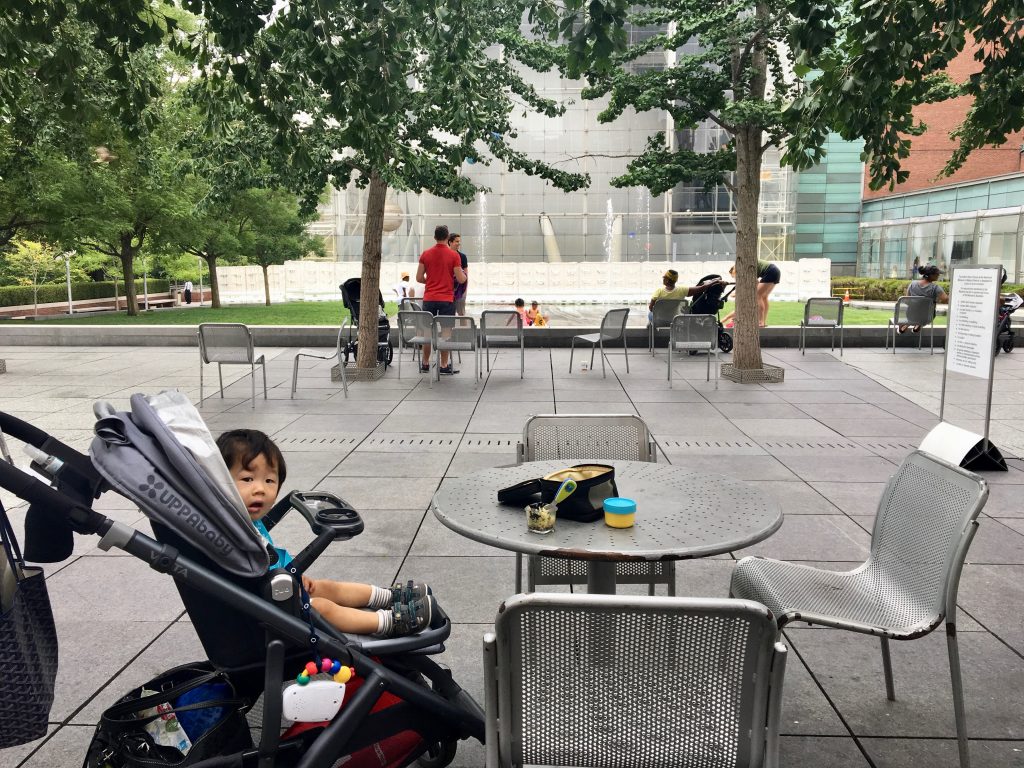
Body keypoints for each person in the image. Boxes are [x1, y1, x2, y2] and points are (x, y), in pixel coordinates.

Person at [217, 429, 434, 638]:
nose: (260, 489)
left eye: (269, 481)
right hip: (268, 610)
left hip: (276, 591)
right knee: (321, 607)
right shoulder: (232, 531)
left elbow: (269, 560)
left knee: (326, 587)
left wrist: (294, 575)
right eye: (247, 479)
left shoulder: (246, 522)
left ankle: (388, 596)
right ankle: (388, 623)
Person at [417, 225, 467, 374]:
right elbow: (460, 278)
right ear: (447, 238)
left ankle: (425, 364)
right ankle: (444, 365)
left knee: (427, 332)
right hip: (446, 300)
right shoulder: (454, 256)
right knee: (446, 333)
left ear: (434, 237)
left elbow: (419, 278)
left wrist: (432, 282)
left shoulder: (426, 254)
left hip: (429, 299)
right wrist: (464, 276)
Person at [719, 261, 781, 328]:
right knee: (763, 297)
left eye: (733, 276)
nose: (735, 278)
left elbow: (748, 284)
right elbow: (756, 283)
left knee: (757, 296)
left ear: (733, 271)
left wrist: (737, 293)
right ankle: (763, 321)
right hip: (775, 270)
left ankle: (760, 321)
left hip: (770, 271)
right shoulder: (745, 266)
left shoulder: (738, 268)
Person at [648, 269, 724, 321]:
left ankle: (652, 331)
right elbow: (701, 288)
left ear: (667, 280)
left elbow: (651, 308)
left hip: (659, 320)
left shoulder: (659, 291)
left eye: (664, 278)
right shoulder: (682, 290)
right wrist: (715, 281)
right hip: (674, 320)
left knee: (650, 314)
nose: (663, 279)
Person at [900, 264, 948, 333]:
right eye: (937, 274)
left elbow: (907, 301)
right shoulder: (935, 288)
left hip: (910, 316)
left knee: (916, 313)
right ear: (931, 275)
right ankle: (919, 324)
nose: (939, 275)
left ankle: (909, 324)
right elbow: (945, 300)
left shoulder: (912, 284)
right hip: (927, 318)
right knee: (924, 314)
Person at [448, 233, 469, 316]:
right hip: (448, 291)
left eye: (459, 241)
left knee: (461, 314)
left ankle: (463, 329)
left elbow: (466, 274)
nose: (459, 243)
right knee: (449, 315)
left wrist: (465, 291)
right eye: (457, 241)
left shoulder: (462, 256)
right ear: (450, 242)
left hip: (460, 291)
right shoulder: (446, 255)